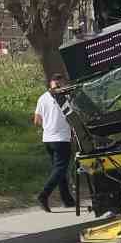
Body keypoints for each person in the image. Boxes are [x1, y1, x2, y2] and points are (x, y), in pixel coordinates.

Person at [33, 73, 76, 211]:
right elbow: (74, 116)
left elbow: (37, 120)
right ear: (62, 83)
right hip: (61, 139)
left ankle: (67, 199)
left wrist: (49, 124)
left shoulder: (42, 97)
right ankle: (43, 195)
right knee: (60, 169)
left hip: (48, 139)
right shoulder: (66, 97)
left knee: (59, 170)